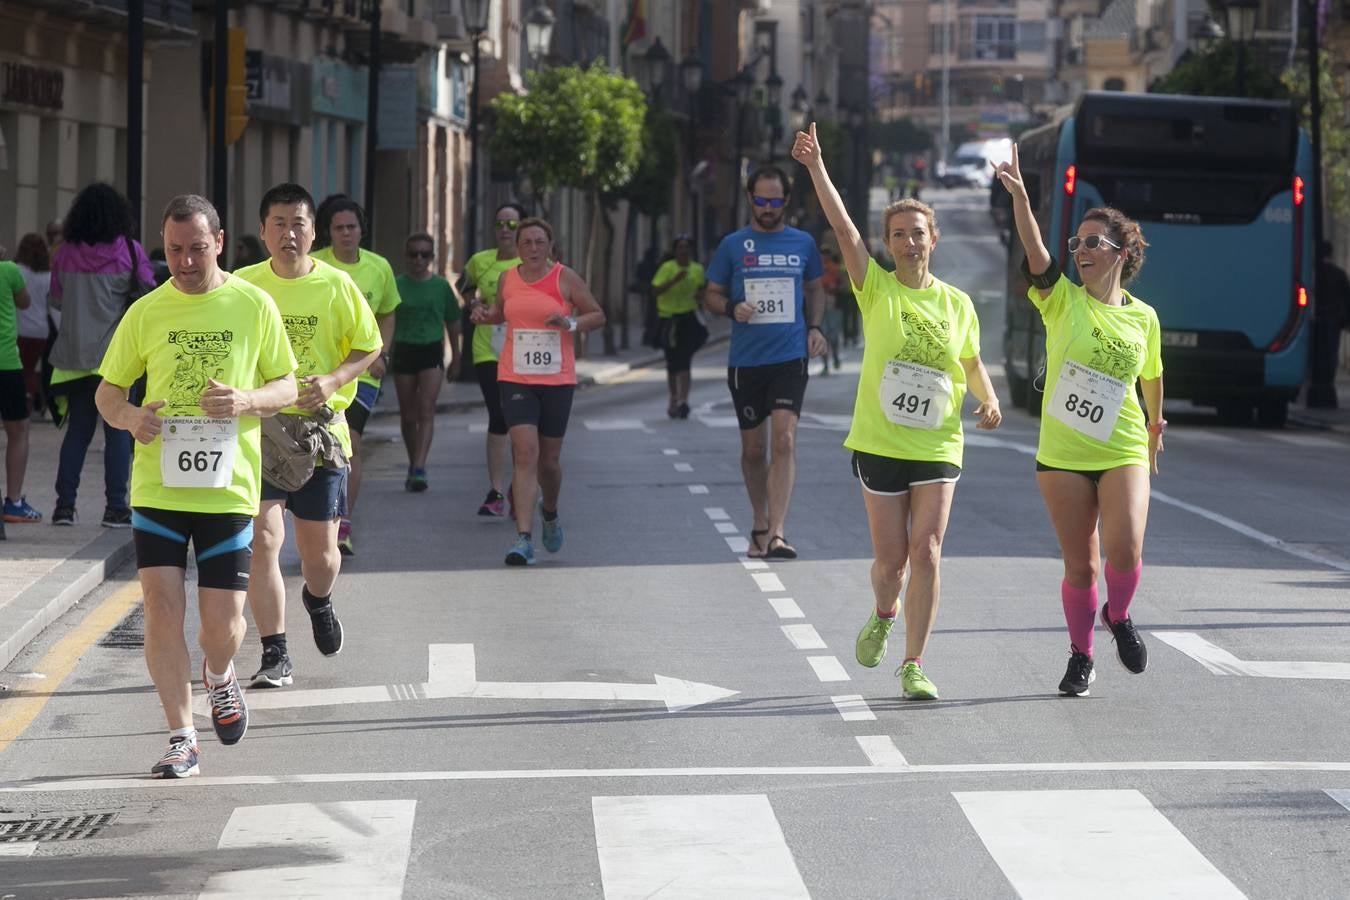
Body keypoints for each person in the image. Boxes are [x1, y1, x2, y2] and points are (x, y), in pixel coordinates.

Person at [793, 123, 1002, 700]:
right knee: (891, 562)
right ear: (887, 244)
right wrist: (816, 167)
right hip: (880, 442)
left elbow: (971, 362)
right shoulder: (876, 288)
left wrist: (988, 397)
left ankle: (914, 662)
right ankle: (884, 612)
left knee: (927, 550)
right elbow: (841, 225)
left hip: (938, 443)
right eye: (899, 235)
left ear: (934, 238)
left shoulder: (958, 303)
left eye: (918, 233)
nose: (910, 242)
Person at [94, 193, 298, 778]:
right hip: (158, 488)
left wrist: (246, 400)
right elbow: (107, 394)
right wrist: (133, 418)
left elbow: (286, 384)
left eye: (196, 249)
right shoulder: (146, 311)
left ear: (220, 242)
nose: (184, 261)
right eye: (174, 250)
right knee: (159, 607)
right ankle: (182, 737)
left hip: (227, 487)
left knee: (221, 626)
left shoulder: (252, 304)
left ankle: (219, 673)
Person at [995, 144, 1163, 697]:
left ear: (1121, 252)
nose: (1082, 251)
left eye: (1093, 242)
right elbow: (1035, 247)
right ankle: (1082, 656)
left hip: (1122, 449)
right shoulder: (1060, 300)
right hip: (1063, 456)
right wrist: (1021, 196)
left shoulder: (1144, 317)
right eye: (1078, 243)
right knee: (1080, 566)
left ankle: (1119, 615)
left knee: (1126, 548)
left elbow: (1152, 375)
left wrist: (1155, 426)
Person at [235, 183, 382, 689]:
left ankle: (318, 599)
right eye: (278, 224)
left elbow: (369, 346)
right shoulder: (243, 286)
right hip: (263, 430)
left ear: (312, 232)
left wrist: (335, 381)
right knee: (263, 541)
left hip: (321, 432)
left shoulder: (336, 285)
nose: (288, 234)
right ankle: (275, 652)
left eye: (298, 224)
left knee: (319, 556)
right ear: (262, 231)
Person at [703, 164, 829, 560]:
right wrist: (730, 308)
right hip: (746, 360)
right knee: (754, 450)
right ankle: (759, 522)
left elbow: (815, 288)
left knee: (785, 440)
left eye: (776, 201)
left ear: (786, 201)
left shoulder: (803, 243)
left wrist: (815, 327)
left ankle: (777, 532)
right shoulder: (733, 246)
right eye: (762, 200)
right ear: (750, 199)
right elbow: (710, 293)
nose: (769, 207)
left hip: (790, 356)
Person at [469, 218, 604, 566]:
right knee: (525, 453)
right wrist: (484, 316)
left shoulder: (565, 278)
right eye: (526, 243)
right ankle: (524, 538)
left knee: (549, 462)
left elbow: (597, 315)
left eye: (538, 242)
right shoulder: (507, 279)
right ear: (517, 247)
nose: (532, 249)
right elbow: (501, 312)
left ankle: (551, 511)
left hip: (557, 380)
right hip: (516, 377)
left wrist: (570, 323)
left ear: (549, 246)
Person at [48, 183, 157, 527]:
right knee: (118, 431)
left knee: (77, 431)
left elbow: (55, 299)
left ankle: (64, 506)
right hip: (116, 357)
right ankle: (115, 507)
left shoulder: (64, 252)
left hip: (73, 357)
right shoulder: (129, 249)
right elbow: (149, 294)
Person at [311, 198, 399, 555]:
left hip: (364, 374)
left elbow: (388, 313)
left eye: (352, 227)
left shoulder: (379, 267)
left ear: (362, 229)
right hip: (325, 373)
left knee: (353, 441)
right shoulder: (316, 266)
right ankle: (319, 518)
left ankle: (343, 520)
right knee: (324, 447)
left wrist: (382, 352)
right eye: (338, 228)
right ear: (328, 232)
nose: (346, 234)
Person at [462, 203, 525, 517]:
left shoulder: (532, 262)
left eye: (512, 225)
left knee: (519, 420)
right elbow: (467, 290)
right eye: (500, 224)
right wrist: (474, 303)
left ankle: (520, 485)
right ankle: (496, 489)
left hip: (521, 350)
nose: (505, 230)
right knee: (498, 415)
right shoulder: (480, 261)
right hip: (487, 348)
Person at [394, 232, 462, 492]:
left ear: (432, 258)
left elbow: (453, 321)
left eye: (425, 254)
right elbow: (385, 320)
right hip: (404, 349)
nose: (419, 259)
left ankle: (420, 466)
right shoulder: (396, 284)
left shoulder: (441, 286)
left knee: (426, 409)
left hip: (431, 349)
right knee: (408, 414)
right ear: (406, 256)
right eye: (414, 254)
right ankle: (413, 461)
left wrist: (456, 356)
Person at [649, 234, 707, 418]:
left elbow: (703, 289)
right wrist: (674, 280)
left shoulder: (697, 269)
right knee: (672, 362)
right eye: (680, 247)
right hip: (668, 319)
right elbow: (655, 291)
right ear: (675, 251)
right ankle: (673, 397)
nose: (683, 250)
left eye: (686, 247)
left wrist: (701, 296)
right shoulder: (667, 268)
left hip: (688, 318)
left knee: (685, 360)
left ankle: (684, 400)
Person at [0, 255, 37, 525]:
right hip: (6, 363)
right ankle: (13, 502)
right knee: (18, 430)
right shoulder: (9, 270)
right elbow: (25, 302)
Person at [14, 234, 52, 416]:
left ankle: (16, 405)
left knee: (16, 369)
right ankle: (29, 402)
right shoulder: (48, 275)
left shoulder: (17, 270)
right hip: (41, 330)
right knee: (30, 370)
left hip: (19, 327)